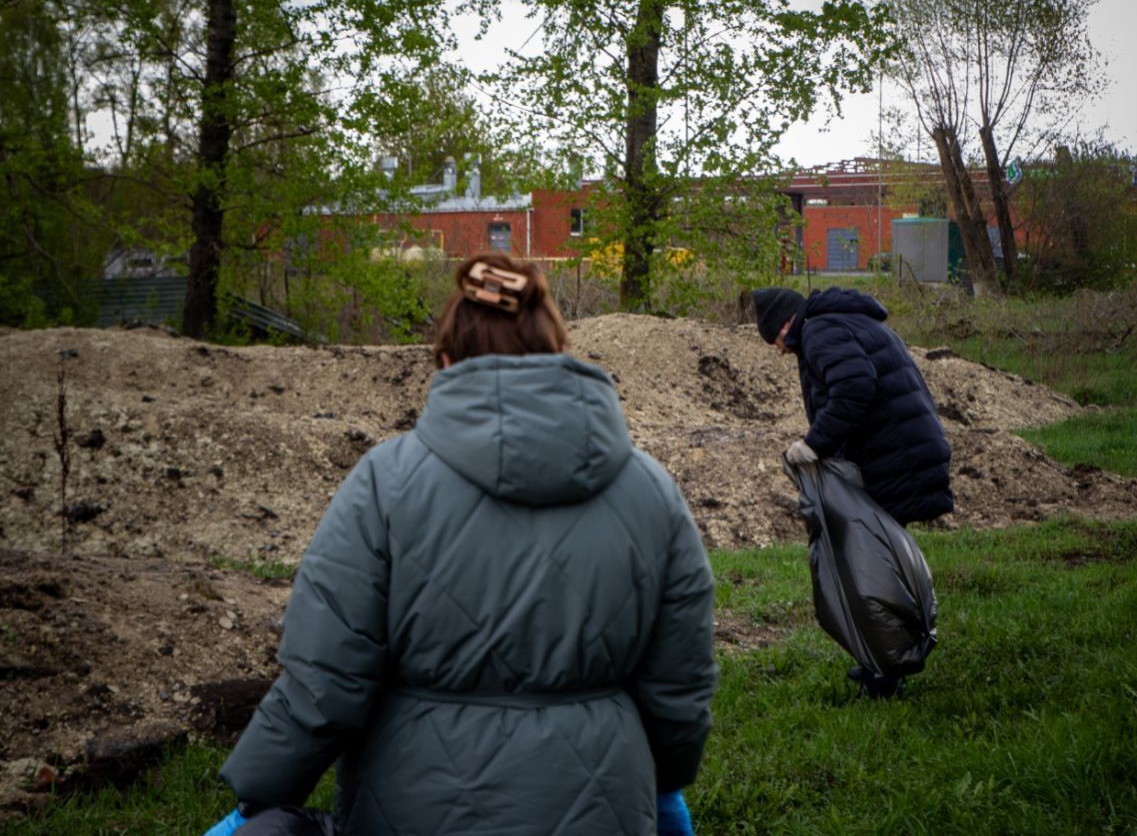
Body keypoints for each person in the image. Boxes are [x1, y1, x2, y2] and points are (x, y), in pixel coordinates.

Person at [205, 253, 718, 835]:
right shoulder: (650, 491)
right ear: (557, 352)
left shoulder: (386, 481)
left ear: (446, 363)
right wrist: (664, 772)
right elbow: (680, 681)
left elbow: (326, 680)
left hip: (412, 806)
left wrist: (260, 790)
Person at [751, 285, 953, 697]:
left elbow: (855, 387)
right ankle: (880, 658)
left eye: (775, 341)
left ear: (785, 325)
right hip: (902, 446)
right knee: (874, 553)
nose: (780, 351)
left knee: (871, 562)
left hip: (895, 452)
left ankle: (887, 668)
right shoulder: (843, 321)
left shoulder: (820, 331)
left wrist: (814, 443)